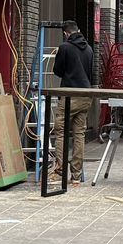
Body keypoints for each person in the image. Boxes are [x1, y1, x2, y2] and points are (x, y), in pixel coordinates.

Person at [49, 21, 95, 184]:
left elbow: (58, 71)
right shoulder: (89, 49)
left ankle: (60, 170)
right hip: (85, 95)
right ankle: (76, 176)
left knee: (60, 131)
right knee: (79, 134)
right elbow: (90, 73)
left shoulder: (65, 47)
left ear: (65, 33)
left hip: (69, 95)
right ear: (78, 31)